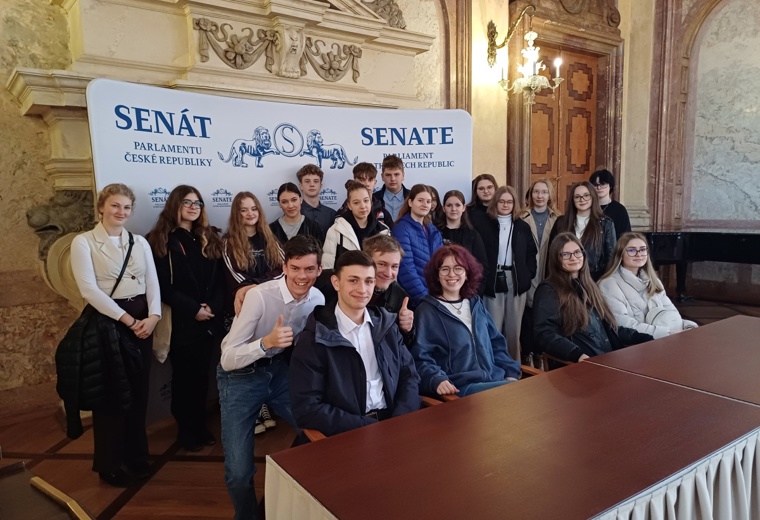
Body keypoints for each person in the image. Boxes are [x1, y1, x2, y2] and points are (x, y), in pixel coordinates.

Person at [217, 236, 325, 519]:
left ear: (319, 270)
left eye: (309, 269)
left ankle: (292, 496)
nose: (302, 276)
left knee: (318, 432)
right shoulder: (259, 296)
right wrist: (266, 343)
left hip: (279, 372)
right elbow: (227, 358)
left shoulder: (317, 299)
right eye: (295, 268)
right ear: (284, 268)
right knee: (239, 472)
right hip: (240, 376)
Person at [68, 183, 161, 487]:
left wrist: (153, 317)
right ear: (101, 208)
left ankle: (136, 456)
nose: (121, 212)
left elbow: (152, 282)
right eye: (115, 206)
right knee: (111, 396)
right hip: (110, 322)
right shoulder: (83, 242)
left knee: (138, 393)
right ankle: (109, 464)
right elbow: (89, 290)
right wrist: (128, 320)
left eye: (126, 207)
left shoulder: (139, 242)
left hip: (142, 323)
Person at [289, 250, 420, 437]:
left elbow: (410, 377)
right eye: (353, 280)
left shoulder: (387, 326)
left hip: (394, 423)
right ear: (336, 283)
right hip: (347, 431)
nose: (362, 289)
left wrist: (399, 421)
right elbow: (307, 408)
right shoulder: (314, 338)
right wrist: (371, 429)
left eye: (369, 281)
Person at [147, 185, 225, 452]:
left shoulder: (208, 237)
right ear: (175, 205)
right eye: (187, 202)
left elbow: (219, 279)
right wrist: (193, 309)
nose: (193, 207)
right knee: (183, 379)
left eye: (197, 203)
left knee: (202, 378)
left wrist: (212, 307)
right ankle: (186, 431)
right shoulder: (160, 240)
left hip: (209, 320)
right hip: (181, 321)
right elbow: (161, 286)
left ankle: (200, 427)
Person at [412, 245, 521, 398]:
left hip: (495, 380)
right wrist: (436, 379)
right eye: (445, 269)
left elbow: (496, 344)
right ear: (436, 275)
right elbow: (420, 357)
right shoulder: (426, 311)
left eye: (458, 268)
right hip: (460, 388)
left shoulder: (476, 304)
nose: (452, 274)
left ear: (467, 274)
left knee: (525, 393)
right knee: (522, 392)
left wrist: (510, 372)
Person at [533, 232, 653, 362]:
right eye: (566, 254)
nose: (573, 258)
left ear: (584, 254)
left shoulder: (589, 286)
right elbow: (544, 333)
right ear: (556, 258)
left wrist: (642, 337)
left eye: (577, 252)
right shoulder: (548, 289)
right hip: (580, 365)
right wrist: (577, 355)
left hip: (606, 358)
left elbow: (609, 328)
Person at [221, 191, 284, 435]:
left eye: (254, 208)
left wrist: (256, 285)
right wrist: (254, 286)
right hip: (243, 308)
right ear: (236, 214)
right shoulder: (228, 242)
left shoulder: (269, 237)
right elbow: (235, 277)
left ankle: (264, 403)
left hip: (269, 307)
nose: (250, 213)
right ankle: (254, 410)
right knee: (245, 357)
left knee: (264, 353)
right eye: (244, 210)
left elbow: (282, 269)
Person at [599, 232, 698, 339]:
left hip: (663, 338)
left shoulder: (654, 281)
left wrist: (687, 326)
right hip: (635, 342)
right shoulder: (608, 284)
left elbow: (671, 314)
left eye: (642, 249)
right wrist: (667, 333)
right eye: (631, 250)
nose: (639, 254)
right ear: (620, 255)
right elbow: (624, 325)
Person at [480, 186, 537, 363]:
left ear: (515, 204)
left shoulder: (522, 227)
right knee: (493, 328)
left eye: (509, 202)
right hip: (493, 279)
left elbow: (531, 253)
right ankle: (493, 367)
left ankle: (514, 368)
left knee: (514, 330)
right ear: (495, 203)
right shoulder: (485, 226)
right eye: (502, 201)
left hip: (516, 280)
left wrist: (528, 275)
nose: (505, 205)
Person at [519, 179, 560, 366]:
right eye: (536, 191)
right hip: (529, 272)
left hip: (549, 271)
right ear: (530, 194)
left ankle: (542, 354)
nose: (540, 196)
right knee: (527, 315)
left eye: (544, 192)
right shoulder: (521, 217)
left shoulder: (558, 219)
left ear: (549, 195)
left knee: (545, 314)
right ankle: (528, 354)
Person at [549, 181, 616, 281]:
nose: (582, 200)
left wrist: (604, 282)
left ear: (593, 197)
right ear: (572, 200)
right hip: (564, 280)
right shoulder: (561, 222)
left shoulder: (606, 224)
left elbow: (611, 258)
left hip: (595, 280)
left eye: (586, 195)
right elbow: (552, 254)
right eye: (577, 197)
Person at [392, 184, 444, 306]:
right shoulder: (402, 229)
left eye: (428, 201)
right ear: (410, 202)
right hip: (416, 300)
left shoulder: (433, 230)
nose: (425, 204)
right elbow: (406, 269)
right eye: (420, 200)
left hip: (436, 296)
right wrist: (425, 298)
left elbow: (442, 263)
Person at [322, 180, 390, 269]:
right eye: (356, 202)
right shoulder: (336, 230)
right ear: (349, 205)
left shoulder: (383, 231)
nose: (363, 206)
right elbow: (327, 268)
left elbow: (387, 266)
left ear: (371, 202)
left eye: (366, 201)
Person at [363, 234, 415, 343]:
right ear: (366, 261)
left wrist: (407, 331)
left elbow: (402, 347)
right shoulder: (345, 287)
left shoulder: (401, 298)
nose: (388, 273)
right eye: (382, 264)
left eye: (394, 266)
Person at [438, 190, 488, 274]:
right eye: (449, 205)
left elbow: (482, 267)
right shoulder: (436, 232)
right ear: (443, 208)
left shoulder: (473, 235)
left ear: (464, 207)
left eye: (457, 205)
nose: (453, 209)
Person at [348, 162, 394, 229]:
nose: (367, 184)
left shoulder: (383, 213)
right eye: (362, 180)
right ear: (355, 181)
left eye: (370, 180)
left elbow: (392, 235)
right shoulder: (344, 212)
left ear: (375, 182)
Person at [590, 169, 631, 240]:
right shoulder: (587, 207)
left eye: (603, 184)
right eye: (595, 185)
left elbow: (625, 235)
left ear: (610, 186)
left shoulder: (619, 209)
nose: (599, 188)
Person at [297, 163, 337, 234]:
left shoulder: (331, 214)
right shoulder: (295, 212)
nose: (312, 184)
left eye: (316, 181)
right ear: (301, 186)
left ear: (320, 185)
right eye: (307, 181)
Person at [374, 154, 410, 222]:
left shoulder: (413, 197)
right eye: (388, 175)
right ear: (382, 177)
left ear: (403, 176)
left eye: (396, 174)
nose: (392, 179)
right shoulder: (373, 199)